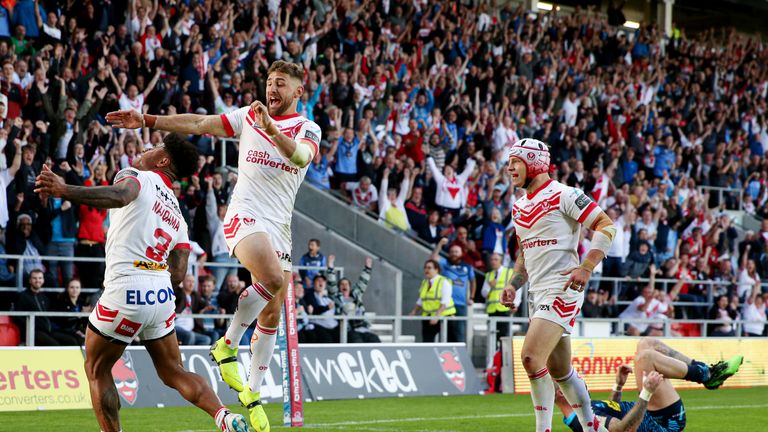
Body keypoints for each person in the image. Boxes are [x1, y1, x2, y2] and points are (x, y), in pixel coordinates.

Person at [106, 60, 322, 432]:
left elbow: (300, 156)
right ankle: (227, 344)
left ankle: (252, 394)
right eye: (269, 81)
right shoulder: (249, 117)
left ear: (298, 92)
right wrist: (147, 119)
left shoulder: (308, 128)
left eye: (281, 84)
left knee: (272, 313)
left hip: (280, 227)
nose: (272, 89)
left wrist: (271, 127)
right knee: (271, 279)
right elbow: (199, 123)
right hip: (245, 215)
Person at [34, 134, 247, 432]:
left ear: (162, 160)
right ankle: (224, 416)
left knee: (97, 368)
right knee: (174, 371)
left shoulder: (138, 176)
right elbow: (178, 273)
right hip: (160, 293)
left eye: (153, 147)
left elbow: (121, 195)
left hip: (126, 287)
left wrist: (63, 189)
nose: (146, 149)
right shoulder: (178, 216)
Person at [500, 138, 617, 432]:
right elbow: (524, 253)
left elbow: (606, 225)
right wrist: (514, 284)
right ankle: (594, 428)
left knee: (530, 358)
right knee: (560, 371)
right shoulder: (518, 208)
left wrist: (586, 266)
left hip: (562, 287)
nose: (509, 168)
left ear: (534, 162)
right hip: (536, 292)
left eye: (515, 162)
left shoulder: (565, 194)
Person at [557, 337, 743, 432]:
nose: (572, 381)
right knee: (646, 357)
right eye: (562, 384)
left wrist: (618, 386)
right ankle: (707, 375)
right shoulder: (580, 421)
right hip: (662, 423)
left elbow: (613, 412)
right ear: (558, 395)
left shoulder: (582, 407)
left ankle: (704, 371)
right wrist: (646, 393)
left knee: (647, 344)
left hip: (656, 414)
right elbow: (624, 430)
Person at [13, 269, 80, 345]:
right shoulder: (22, 296)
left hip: (48, 330)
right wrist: (33, 326)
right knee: (54, 345)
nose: (37, 280)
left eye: (40, 278)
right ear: (30, 280)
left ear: (43, 280)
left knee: (71, 341)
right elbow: (18, 317)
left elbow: (52, 316)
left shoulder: (45, 297)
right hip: (32, 331)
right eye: (34, 278)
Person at [326, 255, 380, 343]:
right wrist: (330, 266)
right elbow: (331, 282)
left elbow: (362, 283)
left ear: (350, 287)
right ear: (338, 287)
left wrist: (368, 268)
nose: (344, 286)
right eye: (342, 284)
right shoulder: (336, 297)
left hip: (361, 327)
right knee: (357, 341)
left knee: (375, 340)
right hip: (347, 329)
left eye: (346, 284)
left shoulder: (356, 295)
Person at [430, 238, 475, 343]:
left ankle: (460, 357)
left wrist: (472, 297)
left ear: (461, 253)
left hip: (460, 305)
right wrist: (440, 244)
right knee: (445, 333)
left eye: (456, 251)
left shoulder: (467, 267)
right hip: (446, 305)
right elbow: (433, 259)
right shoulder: (445, 264)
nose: (454, 253)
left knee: (459, 333)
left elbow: (473, 281)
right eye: (452, 252)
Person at [409, 259, 456, 343]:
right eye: (425, 268)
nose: (426, 270)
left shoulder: (444, 281)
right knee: (427, 341)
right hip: (428, 316)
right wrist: (414, 312)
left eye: (429, 268)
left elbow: (445, 301)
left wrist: (437, 316)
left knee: (450, 341)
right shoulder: (425, 282)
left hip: (444, 316)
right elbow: (421, 300)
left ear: (436, 270)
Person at [481, 253, 518, 342]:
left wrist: (516, 303)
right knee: (492, 336)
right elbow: (483, 293)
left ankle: (502, 355)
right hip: (492, 310)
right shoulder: (489, 275)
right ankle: (493, 355)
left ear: (500, 261)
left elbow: (517, 289)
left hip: (504, 308)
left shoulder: (509, 272)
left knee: (503, 335)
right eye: (492, 260)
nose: (493, 262)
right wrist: (489, 287)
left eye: (496, 259)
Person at [174, 274, 211, 346]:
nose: (191, 284)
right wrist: (179, 287)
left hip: (190, 330)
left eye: (193, 282)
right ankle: (185, 356)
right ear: (183, 282)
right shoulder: (178, 293)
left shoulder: (194, 295)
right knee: (190, 336)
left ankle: (196, 357)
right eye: (188, 281)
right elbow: (176, 291)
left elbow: (205, 304)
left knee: (206, 339)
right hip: (176, 326)